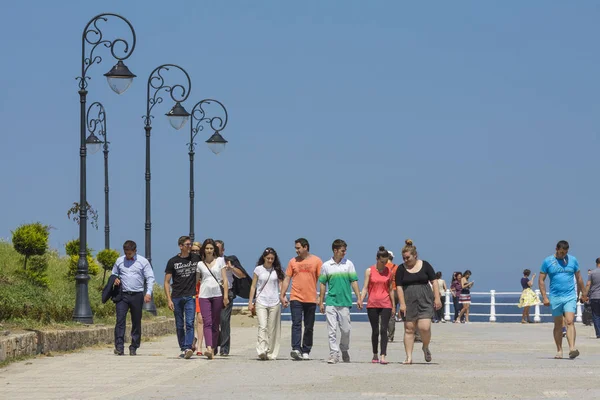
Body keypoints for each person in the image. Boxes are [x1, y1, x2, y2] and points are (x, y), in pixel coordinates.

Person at [395, 239, 441, 365]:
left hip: (425, 298)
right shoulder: (400, 269)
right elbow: (398, 287)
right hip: (408, 299)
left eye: (407, 258)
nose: (405, 260)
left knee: (424, 327)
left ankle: (425, 347)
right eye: (403, 258)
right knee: (409, 329)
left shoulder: (425, 265)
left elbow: (434, 281)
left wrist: (437, 298)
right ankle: (408, 357)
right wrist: (402, 304)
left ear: (415, 255)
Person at [539, 240, 587, 359]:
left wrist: (584, 293)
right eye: (561, 252)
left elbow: (579, 278)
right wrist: (544, 297)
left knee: (570, 321)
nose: (563, 255)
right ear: (556, 249)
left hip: (570, 296)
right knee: (558, 324)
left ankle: (572, 348)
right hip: (555, 296)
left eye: (565, 253)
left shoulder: (573, 260)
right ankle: (559, 350)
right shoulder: (547, 261)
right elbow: (541, 280)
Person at [319, 239, 362, 364]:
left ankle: (344, 349)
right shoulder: (326, 266)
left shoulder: (349, 264)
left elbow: (354, 281)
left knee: (346, 330)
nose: (344, 253)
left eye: (345, 250)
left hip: (345, 302)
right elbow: (322, 284)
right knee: (332, 330)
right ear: (335, 250)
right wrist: (321, 302)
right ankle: (334, 354)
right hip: (331, 301)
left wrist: (359, 298)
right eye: (342, 250)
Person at [280, 238, 322, 360]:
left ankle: (306, 350)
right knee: (296, 324)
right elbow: (287, 278)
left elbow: (322, 280)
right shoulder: (292, 261)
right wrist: (282, 294)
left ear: (305, 247)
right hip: (296, 297)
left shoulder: (317, 261)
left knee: (309, 326)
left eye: (298, 248)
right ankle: (296, 348)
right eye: (296, 248)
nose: (296, 250)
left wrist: (320, 296)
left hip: (311, 298)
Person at [110, 240, 155, 356]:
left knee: (136, 321)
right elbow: (113, 273)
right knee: (120, 320)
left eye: (130, 253)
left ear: (135, 251)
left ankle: (134, 346)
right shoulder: (119, 261)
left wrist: (148, 293)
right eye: (126, 253)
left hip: (137, 295)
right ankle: (119, 347)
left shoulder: (143, 262)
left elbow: (150, 277)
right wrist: (115, 278)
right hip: (122, 295)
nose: (128, 255)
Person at [163, 236, 200, 359]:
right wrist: (169, 299)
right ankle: (183, 347)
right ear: (181, 246)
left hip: (190, 296)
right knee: (179, 325)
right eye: (187, 244)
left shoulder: (196, 258)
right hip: (177, 296)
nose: (190, 247)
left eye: (191, 244)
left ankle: (188, 347)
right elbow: (167, 282)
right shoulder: (172, 261)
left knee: (189, 322)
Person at [248, 247, 285, 360]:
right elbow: (253, 286)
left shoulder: (276, 270)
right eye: (268, 258)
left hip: (274, 301)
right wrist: (250, 302)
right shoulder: (258, 269)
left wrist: (283, 297)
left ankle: (271, 352)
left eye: (272, 258)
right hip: (261, 301)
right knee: (262, 326)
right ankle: (261, 350)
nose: (270, 260)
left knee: (272, 328)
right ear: (264, 257)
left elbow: (281, 285)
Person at [360, 246, 395, 364]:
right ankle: (375, 353)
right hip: (372, 304)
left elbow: (391, 290)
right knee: (375, 330)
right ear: (377, 258)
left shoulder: (389, 272)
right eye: (382, 261)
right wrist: (360, 299)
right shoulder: (369, 271)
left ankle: (383, 355)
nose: (384, 263)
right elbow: (365, 287)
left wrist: (393, 305)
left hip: (386, 304)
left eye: (386, 261)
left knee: (384, 329)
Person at [196, 238, 229, 359]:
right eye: (207, 248)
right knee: (207, 322)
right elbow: (197, 280)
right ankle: (208, 347)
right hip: (204, 295)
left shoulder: (220, 261)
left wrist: (225, 296)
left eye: (211, 248)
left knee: (215, 323)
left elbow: (224, 279)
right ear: (203, 250)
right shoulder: (200, 264)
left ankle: (213, 347)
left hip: (217, 295)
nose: (209, 250)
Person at [214, 240, 246, 356]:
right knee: (213, 321)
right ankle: (213, 345)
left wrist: (231, 268)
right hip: (212, 292)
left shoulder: (228, 260)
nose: (215, 251)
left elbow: (242, 275)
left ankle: (224, 348)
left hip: (227, 291)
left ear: (223, 250)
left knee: (224, 320)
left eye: (218, 248)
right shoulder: (209, 261)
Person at [191, 241, 204, 356]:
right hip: (190, 292)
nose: (195, 252)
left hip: (201, 292)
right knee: (190, 320)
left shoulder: (204, 263)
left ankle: (199, 346)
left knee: (200, 319)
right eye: (193, 250)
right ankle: (192, 341)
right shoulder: (187, 262)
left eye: (197, 250)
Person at [386, 251, 400, 341]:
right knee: (392, 313)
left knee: (383, 313)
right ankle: (391, 335)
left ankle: (386, 333)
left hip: (386, 291)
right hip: (396, 291)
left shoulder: (382, 267)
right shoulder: (397, 267)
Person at [585, 258, 600, 338]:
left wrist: (585, 295)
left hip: (594, 297)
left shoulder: (592, 273)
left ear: (596, 263)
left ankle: (598, 333)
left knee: (596, 315)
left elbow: (588, 284)